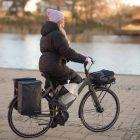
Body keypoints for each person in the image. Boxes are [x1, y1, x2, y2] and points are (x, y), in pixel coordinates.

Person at [39, 8, 92, 127]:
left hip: (44, 65)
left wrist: (64, 58)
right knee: (77, 79)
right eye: (62, 19)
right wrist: (84, 59)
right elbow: (67, 52)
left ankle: (53, 120)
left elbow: (55, 51)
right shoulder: (57, 33)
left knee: (51, 93)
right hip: (55, 66)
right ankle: (58, 100)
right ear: (58, 21)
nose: (64, 22)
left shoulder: (45, 34)